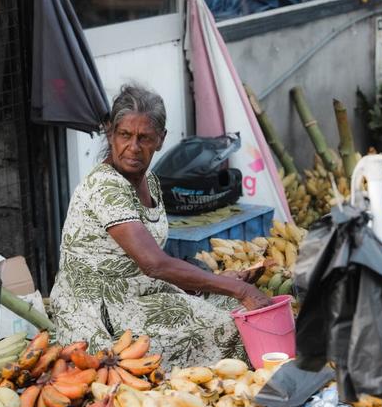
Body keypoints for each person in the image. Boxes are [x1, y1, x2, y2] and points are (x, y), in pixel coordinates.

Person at [50, 82, 271, 366]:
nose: (133, 147)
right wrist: (237, 289)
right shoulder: (105, 187)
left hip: (142, 294)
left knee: (240, 310)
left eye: (144, 138)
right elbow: (154, 263)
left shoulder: (149, 181)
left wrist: (216, 286)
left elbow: (153, 264)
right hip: (102, 314)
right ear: (111, 133)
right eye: (124, 135)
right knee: (231, 327)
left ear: (161, 139)